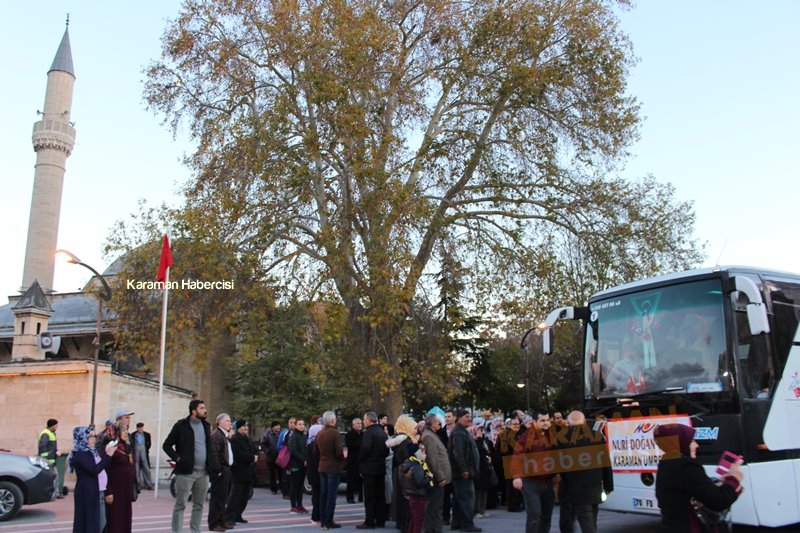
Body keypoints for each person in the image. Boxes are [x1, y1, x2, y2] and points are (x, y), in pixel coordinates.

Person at [654, 424, 743, 532]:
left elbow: (689, 489)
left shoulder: (666, 463)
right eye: (691, 441)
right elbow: (718, 501)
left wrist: (719, 482)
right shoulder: (686, 465)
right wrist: (734, 479)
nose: (696, 445)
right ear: (680, 442)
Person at [557, 410, 613, 533]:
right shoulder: (597, 435)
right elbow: (606, 463)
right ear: (584, 422)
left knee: (585, 519)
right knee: (592, 518)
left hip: (575, 487)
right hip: (595, 486)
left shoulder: (562, 437)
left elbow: (561, 465)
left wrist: (565, 483)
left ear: (569, 423)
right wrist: (609, 485)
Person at [163, 399, 211, 533]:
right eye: (201, 408)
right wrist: (178, 458)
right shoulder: (181, 426)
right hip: (186, 472)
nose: (204, 410)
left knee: (199, 505)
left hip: (203, 473)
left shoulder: (206, 425)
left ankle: (195, 530)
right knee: (180, 505)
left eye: (204, 408)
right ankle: (177, 530)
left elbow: (208, 446)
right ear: (193, 411)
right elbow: (166, 445)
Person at [512, 410, 556, 533]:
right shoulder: (526, 436)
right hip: (530, 481)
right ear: (535, 422)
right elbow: (517, 456)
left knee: (547, 515)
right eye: (542, 420)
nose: (546, 423)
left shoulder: (552, 435)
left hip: (547, 481)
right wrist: (517, 476)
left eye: (547, 420)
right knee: (534, 514)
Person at [70, 426, 114, 533]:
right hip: (88, 493)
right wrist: (108, 456)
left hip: (98, 491)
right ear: (82, 438)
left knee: (100, 523)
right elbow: (94, 470)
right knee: (91, 524)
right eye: (90, 436)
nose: (93, 438)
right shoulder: (80, 454)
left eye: (94, 436)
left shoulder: (92, 452)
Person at [448, 408, 482, 533]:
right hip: (463, 472)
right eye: (467, 416)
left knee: (459, 498)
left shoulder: (461, 431)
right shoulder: (459, 433)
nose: (469, 419)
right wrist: (464, 470)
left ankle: (456, 523)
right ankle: (467, 524)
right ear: (459, 418)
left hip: (462, 472)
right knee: (467, 498)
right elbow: (458, 453)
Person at [420, 413, 452, 533]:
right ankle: (431, 529)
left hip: (439, 477)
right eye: (438, 422)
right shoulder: (429, 436)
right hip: (436, 479)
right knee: (434, 507)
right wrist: (440, 477)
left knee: (437, 506)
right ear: (432, 423)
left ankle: (436, 529)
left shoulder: (432, 435)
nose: (440, 424)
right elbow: (432, 460)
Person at [357, 411, 389, 530]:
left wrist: (361, 459)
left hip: (369, 469)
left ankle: (369, 521)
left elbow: (365, 448)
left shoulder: (368, 433)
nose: (363, 422)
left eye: (364, 419)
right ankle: (381, 520)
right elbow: (386, 451)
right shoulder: (382, 433)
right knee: (380, 495)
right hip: (380, 468)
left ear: (369, 420)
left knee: (370, 496)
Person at [317, 410, 345, 530]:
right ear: (333, 421)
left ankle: (323, 520)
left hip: (322, 465)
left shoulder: (320, 433)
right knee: (331, 495)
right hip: (333, 467)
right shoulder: (335, 433)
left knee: (323, 494)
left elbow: (316, 450)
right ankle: (329, 520)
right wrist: (342, 459)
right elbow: (339, 452)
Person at [105, 421, 135, 533]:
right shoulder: (111, 446)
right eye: (123, 430)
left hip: (125, 488)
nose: (126, 432)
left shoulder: (126, 446)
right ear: (117, 431)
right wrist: (108, 491)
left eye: (127, 429)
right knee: (115, 517)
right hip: (115, 488)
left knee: (125, 516)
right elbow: (105, 469)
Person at [226, 419, 257, 525]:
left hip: (249, 471)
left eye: (247, 426)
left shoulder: (248, 439)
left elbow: (254, 449)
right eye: (244, 426)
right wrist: (252, 458)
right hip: (239, 471)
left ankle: (238, 515)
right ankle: (228, 516)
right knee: (235, 495)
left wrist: (255, 456)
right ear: (238, 428)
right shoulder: (235, 439)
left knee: (245, 496)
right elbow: (238, 455)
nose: (246, 428)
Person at [399, 443, 434, 533]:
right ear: (416, 454)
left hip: (412, 494)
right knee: (418, 520)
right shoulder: (417, 466)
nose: (425, 454)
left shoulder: (408, 463)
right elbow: (420, 481)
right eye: (422, 452)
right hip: (419, 495)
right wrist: (429, 477)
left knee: (414, 519)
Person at [208, 413, 233, 532]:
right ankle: (214, 523)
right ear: (220, 422)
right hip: (220, 471)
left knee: (223, 498)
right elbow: (214, 454)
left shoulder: (225, 435)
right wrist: (218, 470)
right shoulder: (216, 435)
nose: (230, 423)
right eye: (227, 421)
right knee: (217, 498)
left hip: (226, 470)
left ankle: (221, 521)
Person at [39, 418, 66, 498]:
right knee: (54, 477)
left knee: (53, 477)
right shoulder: (46, 433)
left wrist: (56, 451)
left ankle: (54, 493)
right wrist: (45, 458)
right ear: (53, 425)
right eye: (56, 425)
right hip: (48, 460)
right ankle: (55, 493)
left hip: (51, 459)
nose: (57, 427)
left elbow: (51, 446)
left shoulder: (51, 433)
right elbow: (43, 447)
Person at [288, 418, 309, 514]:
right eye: (299, 424)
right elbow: (293, 451)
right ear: (295, 425)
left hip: (303, 465)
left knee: (300, 487)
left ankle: (300, 505)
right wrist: (303, 460)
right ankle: (293, 506)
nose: (301, 426)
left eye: (303, 424)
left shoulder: (304, 436)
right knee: (294, 486)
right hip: (295, 465)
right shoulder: (293, 436)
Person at [345, 417, 364, 504]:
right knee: (351, 480)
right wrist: (361, 444)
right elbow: (351, 445)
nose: (360, 425)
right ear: (353, 425)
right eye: (358, 423)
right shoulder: (350, 434)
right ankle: (350, 497)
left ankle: (361, 497)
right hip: (353, 460)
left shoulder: (363, 434)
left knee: (361, 480)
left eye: (360, 423)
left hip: (361, 460)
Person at [277, 417, 296, 499]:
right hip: (287, 458)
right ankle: (286, 493)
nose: (292, 424)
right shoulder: (284, 433)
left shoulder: (298, 433)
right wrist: (285, 451)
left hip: (295, 458)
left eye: (293, 422)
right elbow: (278, 445)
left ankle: (293, 492)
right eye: (290, 422)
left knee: (294, 476)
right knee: (286, 476)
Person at [260, 420, 281, 494]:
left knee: (280, 473)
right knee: (272, 474)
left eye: (279, 425)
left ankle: (282, 487)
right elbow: (263, 444)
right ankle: (273, 489)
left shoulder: (280, 434)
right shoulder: (267, 434)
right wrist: (268, 451)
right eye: (277, 425)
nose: (278, 427)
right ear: (273, 427)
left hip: (279, 457)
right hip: (270, 457)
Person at [133, 422, 154, 490]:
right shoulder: (133, 435)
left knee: (146, 469)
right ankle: (138, 484)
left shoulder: (147, 435)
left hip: (144, 453)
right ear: (137, 428)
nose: (140, 429)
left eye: (141, 427)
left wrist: (146, 449)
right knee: (136, 469)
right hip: (136, 454)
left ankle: (149, 483)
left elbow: (149, 444)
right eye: (139, 428)